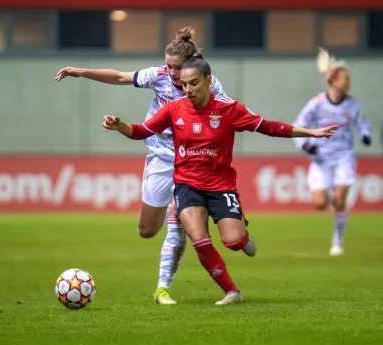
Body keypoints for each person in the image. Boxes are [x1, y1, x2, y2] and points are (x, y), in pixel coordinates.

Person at [101, 55, 338, 304]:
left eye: (194, 83)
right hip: (187, 185)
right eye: (184, 84)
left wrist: (310, 132)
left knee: (233, 241)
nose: (188, 89)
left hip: (220, 185)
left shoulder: (229, 109)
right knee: (199, 239)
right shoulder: (173, 109)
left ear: (208, 80)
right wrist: (121, 126)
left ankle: (243, 235)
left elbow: (267, 126)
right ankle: (232, 292)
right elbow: (142, 131)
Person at [55, 27, 237, 304]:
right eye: (169, 66)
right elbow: (119, 76)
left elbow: (225, 116)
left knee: (178, 222)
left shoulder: (210, 87)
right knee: (147, 230)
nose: (172, 73)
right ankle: (174, 210)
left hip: (191, 160)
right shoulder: (158, 76)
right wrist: (81, 71)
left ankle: (162, 289)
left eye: (178, 68)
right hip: (160, 158)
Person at [293, 48, 372, 256]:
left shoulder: (352, 104)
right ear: (333, 81)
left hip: (344, 157)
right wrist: (304, 143)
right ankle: (330, 194)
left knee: (339, 201)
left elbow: (362, 123)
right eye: (344, 79)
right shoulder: (317, 104)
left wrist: (365, 134)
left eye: (348, 79)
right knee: (320, 203)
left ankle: (337, 241)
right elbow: (300, 124)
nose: (347, 83)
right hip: (321, 159)